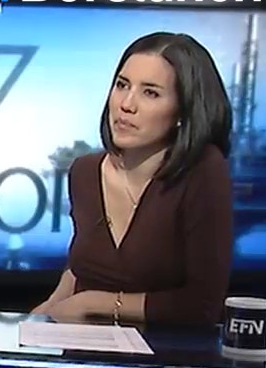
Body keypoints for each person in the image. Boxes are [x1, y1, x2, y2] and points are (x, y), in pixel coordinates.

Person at [33, 32, 234, 327]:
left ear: (183, 111)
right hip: (82, 347)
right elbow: (79, 270)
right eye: (122, 85)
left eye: (150, 93)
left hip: (165, 351)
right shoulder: (84, 172)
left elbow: (203, 305)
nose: (126, 104)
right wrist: (44, 313)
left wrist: (96, 303)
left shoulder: (202, 170)